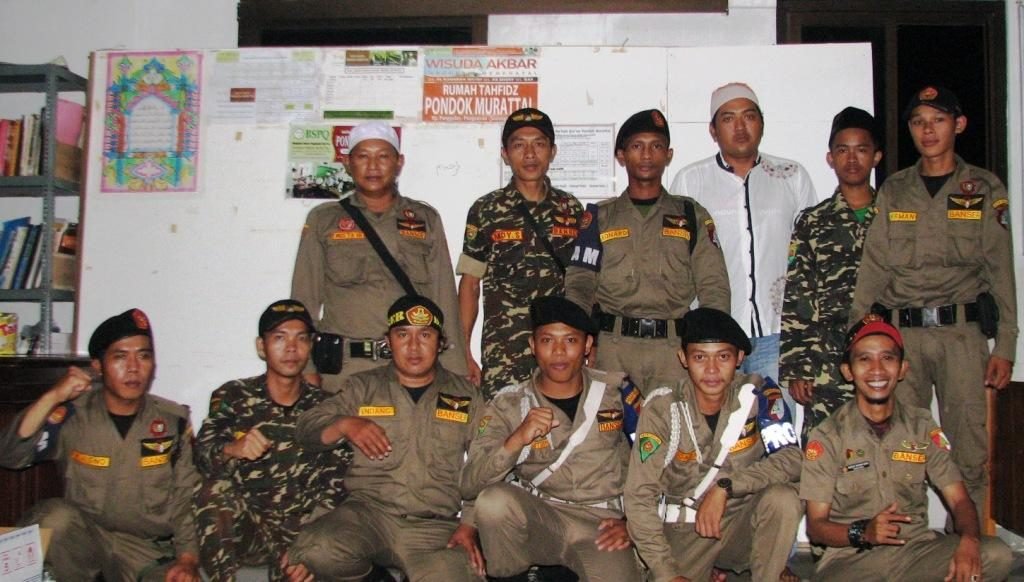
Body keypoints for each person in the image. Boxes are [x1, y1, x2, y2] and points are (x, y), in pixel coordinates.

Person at [850, 86, 1018, 522]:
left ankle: (967, 543)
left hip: (960, 335)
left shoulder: (983, 188)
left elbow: (1001, 269)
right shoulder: (895, 189)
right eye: (918, 122)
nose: (928, 130)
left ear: (958, 125)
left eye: (938, 120)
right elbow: (874, 267)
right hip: (902, 336)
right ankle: (907, 543)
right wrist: (857, 334)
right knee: (901, 445)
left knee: (968, 447)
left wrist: (1006, 345)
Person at [287, 295, 485, 582]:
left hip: (434, 527)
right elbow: (305, 429)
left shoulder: (465, 395)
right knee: (314, 549)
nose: (413, 346)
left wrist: (469, 525)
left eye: (425, 335)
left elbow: (485, 462)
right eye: (402, 335)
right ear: (388, 342)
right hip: (368, 516)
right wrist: (345, 424)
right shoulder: (363, 387)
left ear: (440, 343)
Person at [800, 315, 1013, 581]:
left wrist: (970, 540)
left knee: (996, 555)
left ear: (902, 369)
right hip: (852, 559)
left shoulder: (921, 426)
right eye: (864, 359)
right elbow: (816, 527)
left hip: (916, 553)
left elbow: (959, 499)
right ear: (848, 371)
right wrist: (863, 532)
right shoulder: (828, 435)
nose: (877, 370)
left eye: (887, 358)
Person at [0, 309, 201, 582]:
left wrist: (188, 560)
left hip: (146, 550)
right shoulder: (73, 416)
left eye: (143, 356)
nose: (133, 368)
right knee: (54, 518)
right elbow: (10, 455)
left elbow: (185, 495)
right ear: (98, 366)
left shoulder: (172, 420)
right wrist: (53, 396)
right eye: (120, 357)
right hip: (86, 539)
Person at [461, 296, 641, 581]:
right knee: (494, 503)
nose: (558, 352)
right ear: (533, 346)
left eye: (570, 340)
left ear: (587, 345)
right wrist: (516, 440)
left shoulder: (616, 393)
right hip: (541, 517)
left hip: (602, 525)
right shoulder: (509, 403)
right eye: (547, 341)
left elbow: (652, 465)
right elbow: (469, 484)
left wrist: (633, 523)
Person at [624, 307, 802, 582]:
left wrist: (727, 486)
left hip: (739, 523)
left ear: (739, 358)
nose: (711, 369)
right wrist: (665, 572)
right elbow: (639, 495)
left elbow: (792, 458)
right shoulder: (663, 408)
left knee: (783, 499)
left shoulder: (758, 395)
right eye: (699, 357)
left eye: (723, 357)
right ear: (683, 358)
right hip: (684, 527)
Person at [291, 120, 468, 392]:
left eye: (383, 156)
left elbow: (443, 297)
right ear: (348, 163)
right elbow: (304, 298)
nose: (373, 166)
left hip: (411, 366)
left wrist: (455, 371)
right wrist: (306, 368)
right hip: (344, 370)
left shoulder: (424, 219)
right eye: (363, 156)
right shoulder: (323, 220)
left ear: (399, 163)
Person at [564, 109, 730, 396]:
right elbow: (580, 286)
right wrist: (580, 342)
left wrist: (708, 348)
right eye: (637, 146)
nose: (646, 155)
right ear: (621, 155)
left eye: (656, 146)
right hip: (612, 351)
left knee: (675, 423)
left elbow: (713, 286)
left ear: (668, 154)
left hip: (674, 354)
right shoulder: (599, 217)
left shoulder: (691, 214)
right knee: (609, 424)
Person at [670, 82, 817, 383]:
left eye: (749, 116)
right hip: (714, 337)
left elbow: (810, 258)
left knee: (776, 413)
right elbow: (676, 260)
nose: (740, 127)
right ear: (713, 130)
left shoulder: (792, 176)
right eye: (728, 118)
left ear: (761, 123)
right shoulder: (690, 181)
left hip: (778, 334)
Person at [192, 299, 347, 581]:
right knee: (212, 491)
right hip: (250, 528)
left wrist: (312, 546)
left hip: (303, 529)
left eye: (301, 338)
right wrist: (232, 449)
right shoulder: (234, 396)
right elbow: (201, 455)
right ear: (261, 347)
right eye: (279, 338)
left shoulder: (327, 407)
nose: (291, 348)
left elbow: (339, 483)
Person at [457, 108, 583, 398]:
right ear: (505, 153)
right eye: (518, 145)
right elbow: (470, 284)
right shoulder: (486, 210)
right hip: (504, 353)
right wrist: (462, 350)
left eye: (539, 144)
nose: (529, 154)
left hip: (560, 353)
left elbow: (585, 282)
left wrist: (591, 344)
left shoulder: (571, 209)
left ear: (552, 152)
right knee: (503, 425)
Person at [780, 107, 883, 442]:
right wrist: (798, 366)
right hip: (827, 361)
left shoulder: (894, 216)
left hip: (884, 358)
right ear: (830, 158)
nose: (851, 159)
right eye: (842, 150)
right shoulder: (813, 222)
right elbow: (799, 297)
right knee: (824, 450)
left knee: (886, 446)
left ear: (876, 156)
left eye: (861, 149)